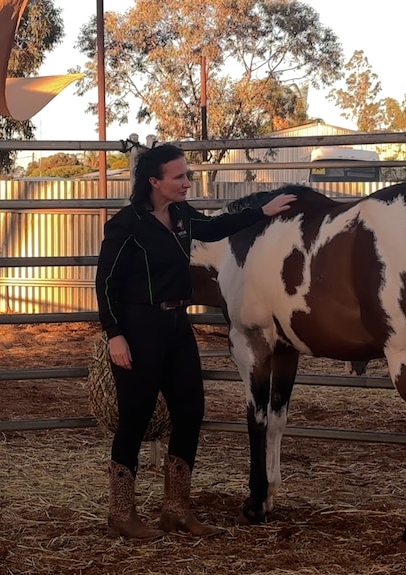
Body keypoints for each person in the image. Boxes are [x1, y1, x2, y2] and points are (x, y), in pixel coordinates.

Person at [95, 144, 295, 539]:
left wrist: (262, 213)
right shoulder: (126, 225)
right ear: (154, 181)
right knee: (134, 419)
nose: (188, 183)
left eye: (187, 175)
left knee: (190, 411)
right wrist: (115, 335)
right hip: (138, 328)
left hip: (176, 327)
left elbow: (217, 228)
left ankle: (176, 509)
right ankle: (121, 513)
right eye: (179, 177)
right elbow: (105, 285)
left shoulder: (182, 217)